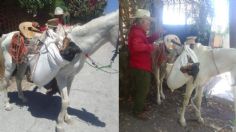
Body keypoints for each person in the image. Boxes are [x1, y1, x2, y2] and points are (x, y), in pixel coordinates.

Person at [128, 9, 160, 120]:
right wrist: (152, 47)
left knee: (141, 88)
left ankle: (140, 104)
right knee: (143, 89)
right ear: (141, 21)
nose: (149, 24)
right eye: (148, 21)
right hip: (140, 66)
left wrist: (156, 36)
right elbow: (137, 47)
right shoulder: (137, 32)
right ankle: (137, 111)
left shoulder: (138, 31)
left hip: (140, 65)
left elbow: (144, 41)